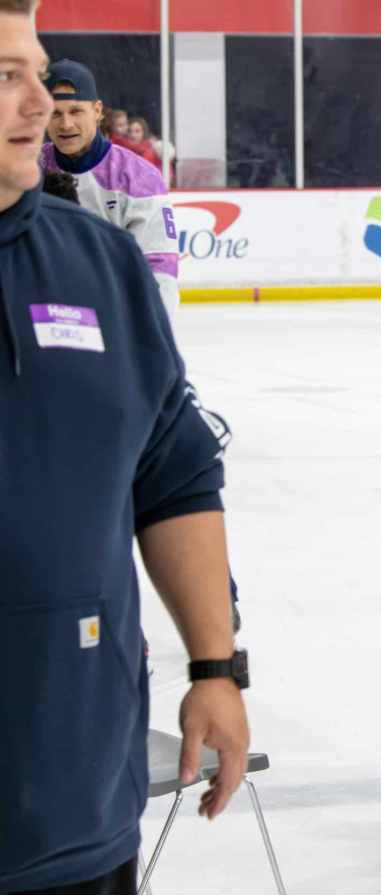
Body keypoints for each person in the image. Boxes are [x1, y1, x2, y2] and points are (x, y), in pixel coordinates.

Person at [0, 5, 250, 894]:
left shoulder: (102, 266)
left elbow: (173, 469)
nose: (41, 104)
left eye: (39, 75)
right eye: (6, 77)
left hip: (78, 804)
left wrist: (216, 668)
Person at [41, 60, 180, 318]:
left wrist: (151, 341)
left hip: (114, 322)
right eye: (55, 113)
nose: (66, 124)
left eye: (76, 111)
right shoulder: (28, 170)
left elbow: (160, 269)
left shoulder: (139, 178)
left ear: (97, 110)